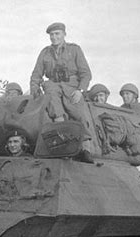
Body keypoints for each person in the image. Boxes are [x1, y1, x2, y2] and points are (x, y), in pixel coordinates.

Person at [29, 22, 94, 162]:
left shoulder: (74, 50)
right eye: (51, 35)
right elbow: (36, 74)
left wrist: (80, 90)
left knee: (80, 114)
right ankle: (64, 144)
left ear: (64, 34)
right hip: (53, 85)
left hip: (72, 86)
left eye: (57, 34)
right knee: (56, 111)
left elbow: (85, 73)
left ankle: (86, 148)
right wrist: (34, 88)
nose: (54, 37)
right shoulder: (45, 52)